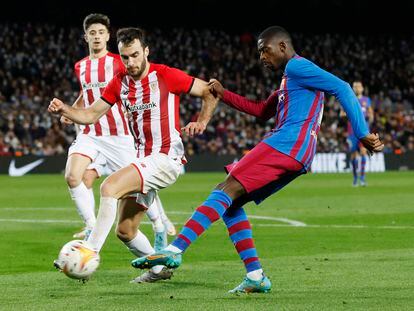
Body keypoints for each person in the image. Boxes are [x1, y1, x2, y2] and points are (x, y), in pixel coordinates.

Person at [130, 26, 384, 293]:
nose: (262, 56)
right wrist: (224, 94)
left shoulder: (298, 68)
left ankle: (174, 249)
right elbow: (262, 111)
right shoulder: (290, 79)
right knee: (231, 203)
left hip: (287, 143)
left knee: (224, 189)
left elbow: (342, 87)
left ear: (283, 47)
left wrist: (362, 132)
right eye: (259, 51)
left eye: (265, 49)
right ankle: (256, 276)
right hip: (297, 152)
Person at [49, 27, 218, 282]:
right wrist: (65, 109)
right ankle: (160, 270)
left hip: (164, 158)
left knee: (108, 187)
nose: (131, 62)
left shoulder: (165, 75)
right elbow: (90, 115)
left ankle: (89, 251)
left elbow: (210, 91)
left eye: (135, 55)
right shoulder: (119, 82)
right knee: (125, 230)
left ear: (146, 51)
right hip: (142, 160)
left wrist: (202, 121)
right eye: (125, 57)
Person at [62, 13, 175, 253]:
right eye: (92, 33)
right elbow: (87, 94)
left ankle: (159, 225)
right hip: (91, 132)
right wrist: (71, 110)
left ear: (107, 36)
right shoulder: (80, 66)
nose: (96, 37)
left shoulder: (119, 62)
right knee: (73, 176)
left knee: (140, 186)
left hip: (121, 135)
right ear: (86, 37)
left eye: (100, 32)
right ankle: (91, 226)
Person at [347, 81, 374, 186]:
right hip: (352, 131)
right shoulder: (349, 99)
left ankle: (362, 178)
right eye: (355, 86)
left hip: (363, 131)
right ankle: (355, 178)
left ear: (362, 88)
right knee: (354, 155)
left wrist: (370, 118)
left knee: (363, 152)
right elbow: (342, 113)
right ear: (353, 88)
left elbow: (371, 114)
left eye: (359, 86)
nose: (357, 88)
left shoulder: (366, 100)